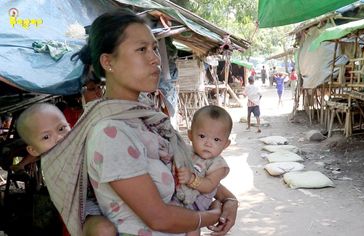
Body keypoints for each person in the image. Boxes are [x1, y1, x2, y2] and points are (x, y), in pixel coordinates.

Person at [41, 9, 238, 236]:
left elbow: (186, 175)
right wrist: (212, 215)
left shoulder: (147, 117)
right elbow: (159, 218)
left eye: (154, 48)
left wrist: (229, 200)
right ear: (108, 62)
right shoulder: (111, 133)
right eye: (141, 49)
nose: (155, 58)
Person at [15, 103, 117, 236]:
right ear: (33, 150)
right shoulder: (52, 163)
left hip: (108, 196)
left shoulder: (84, 143)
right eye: (46, 137)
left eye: (62, 128)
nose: (59, 138)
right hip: (84, 210)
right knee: (103, 230)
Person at [177, 105, 232, 236]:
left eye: (216, 139)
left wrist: (191, 179)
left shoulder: (218, 165)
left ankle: (214, 206)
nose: (208, 143)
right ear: (190, 135)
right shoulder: (186, 151)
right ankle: (216, 205)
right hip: (179, 198)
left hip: (197, 206)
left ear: (225, 144)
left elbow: (209, 185)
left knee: (192, 227)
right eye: (202, 136)